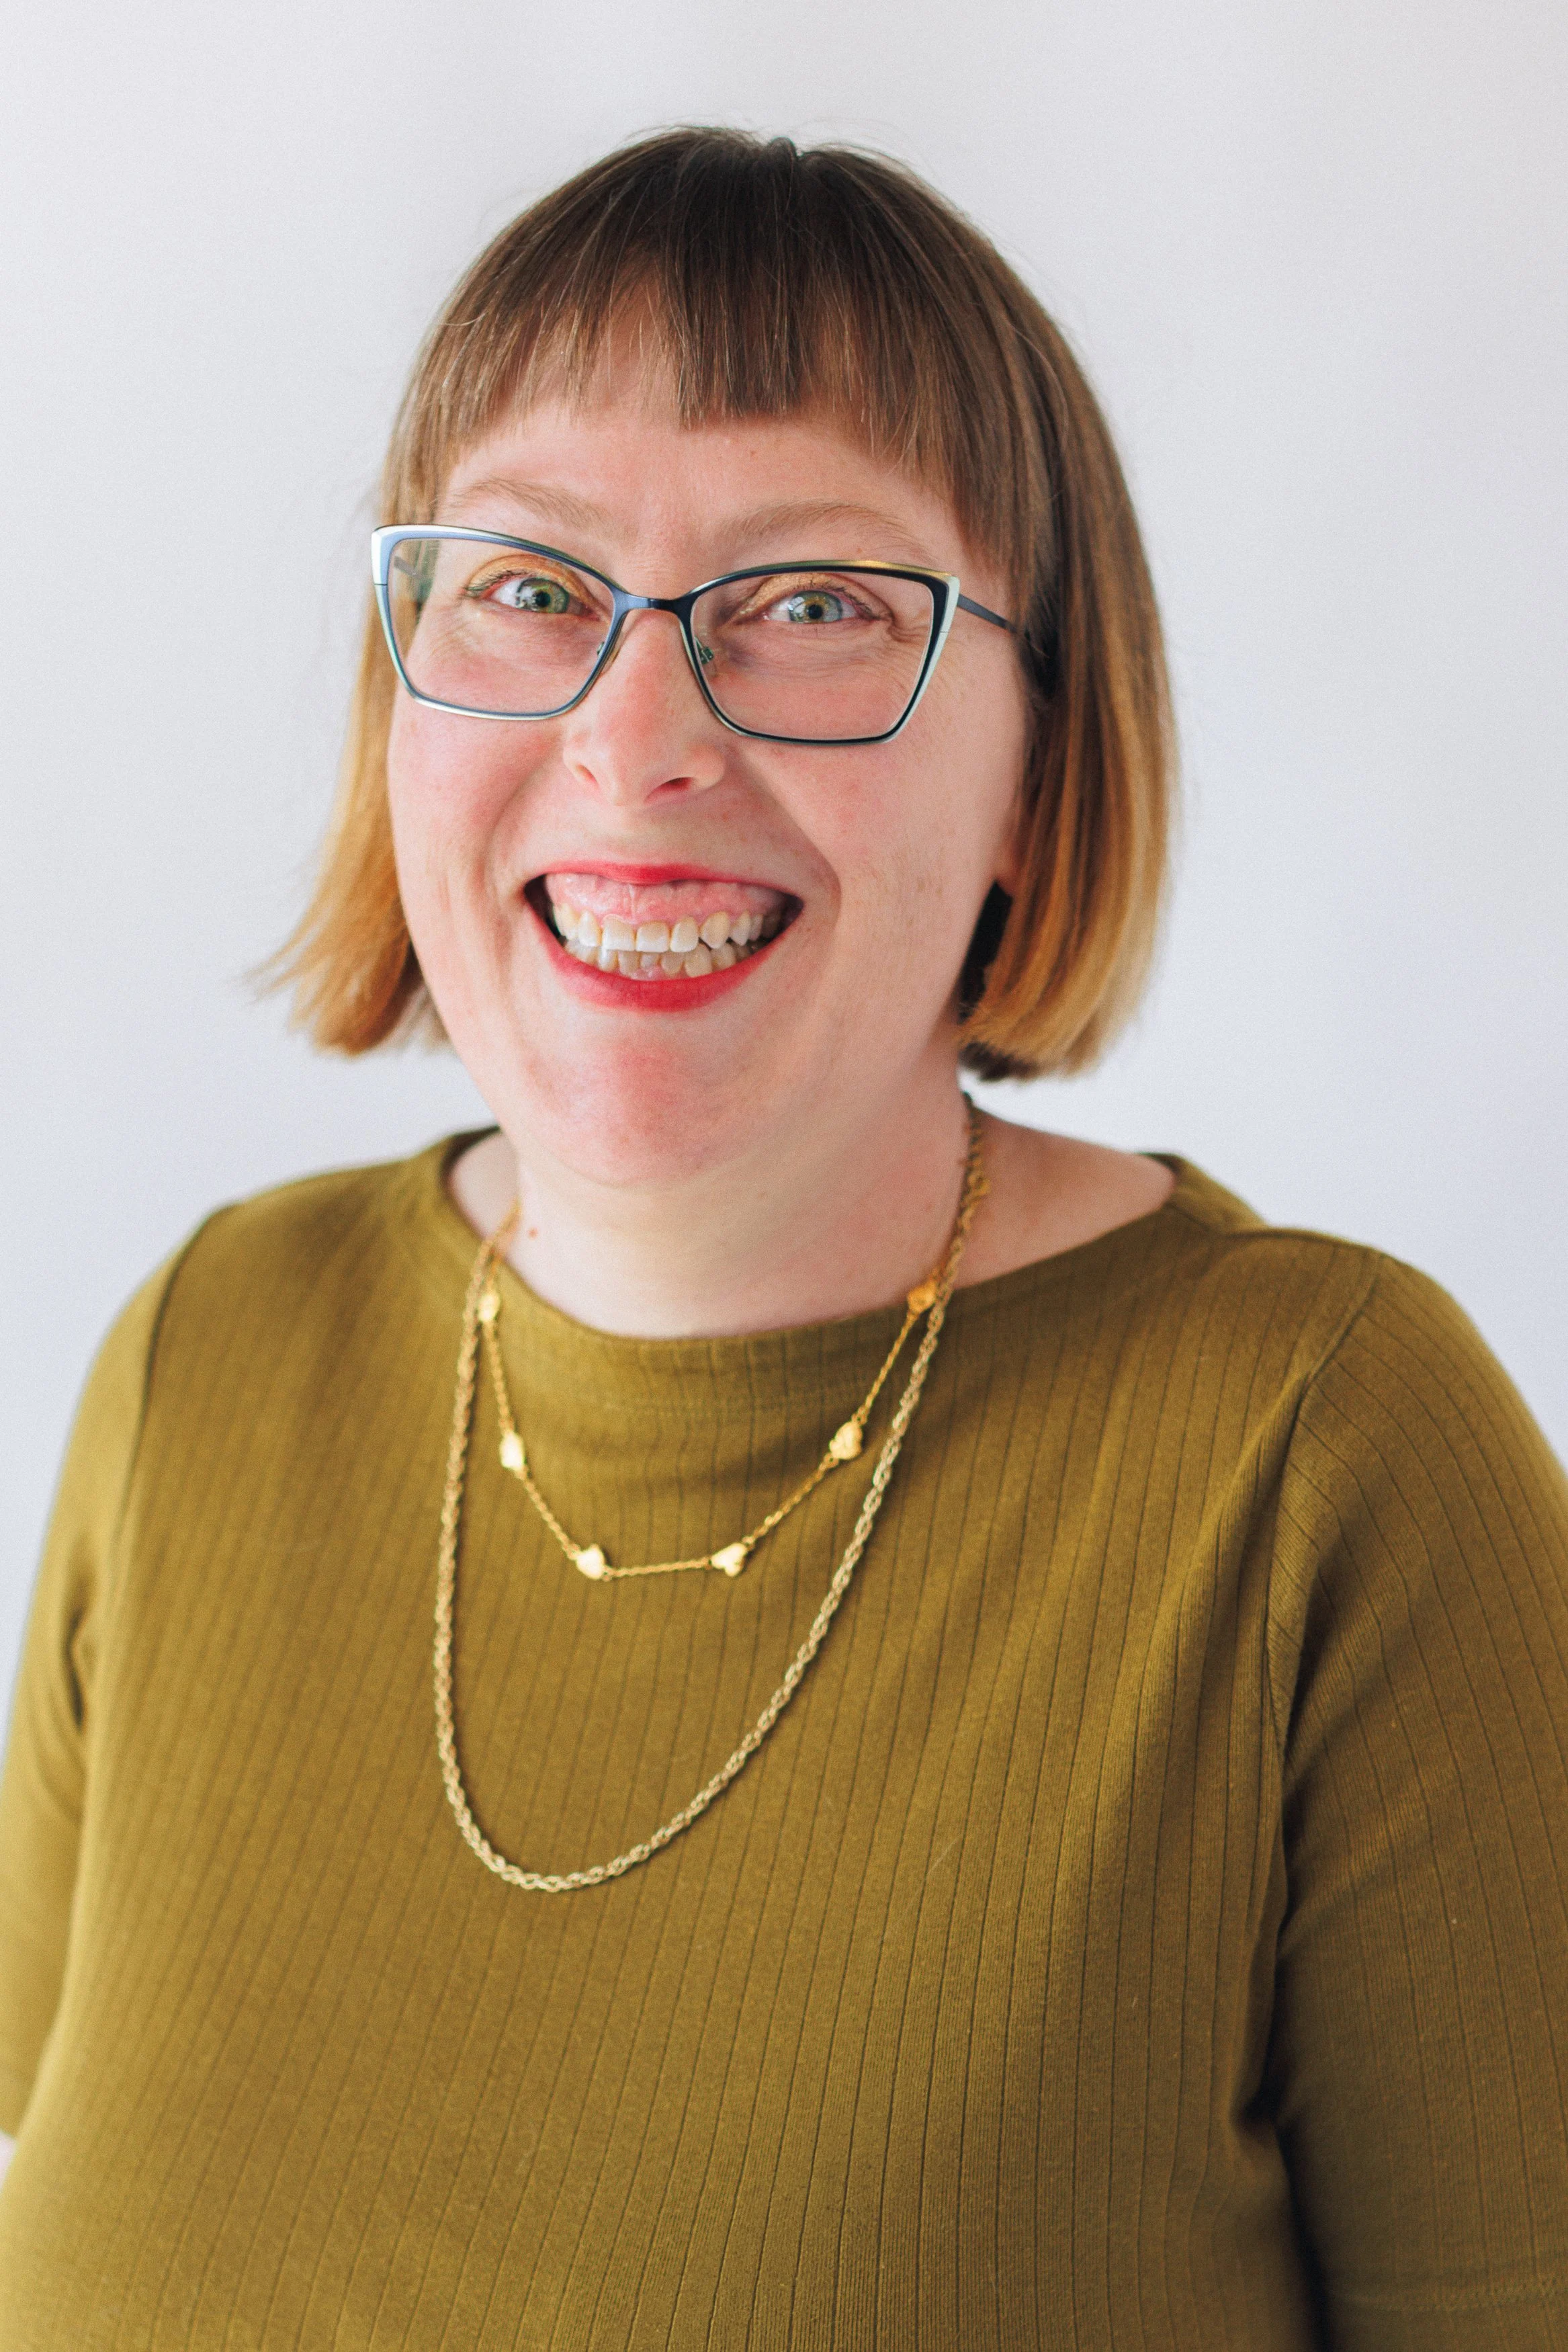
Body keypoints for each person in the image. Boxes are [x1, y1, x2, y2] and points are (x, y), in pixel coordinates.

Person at [1, 127, 1564, 2351]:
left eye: (815, 602)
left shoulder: (1324, 1468)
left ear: (1037, 764)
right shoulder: (205, 1362)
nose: (636, 742)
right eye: (529, 585)